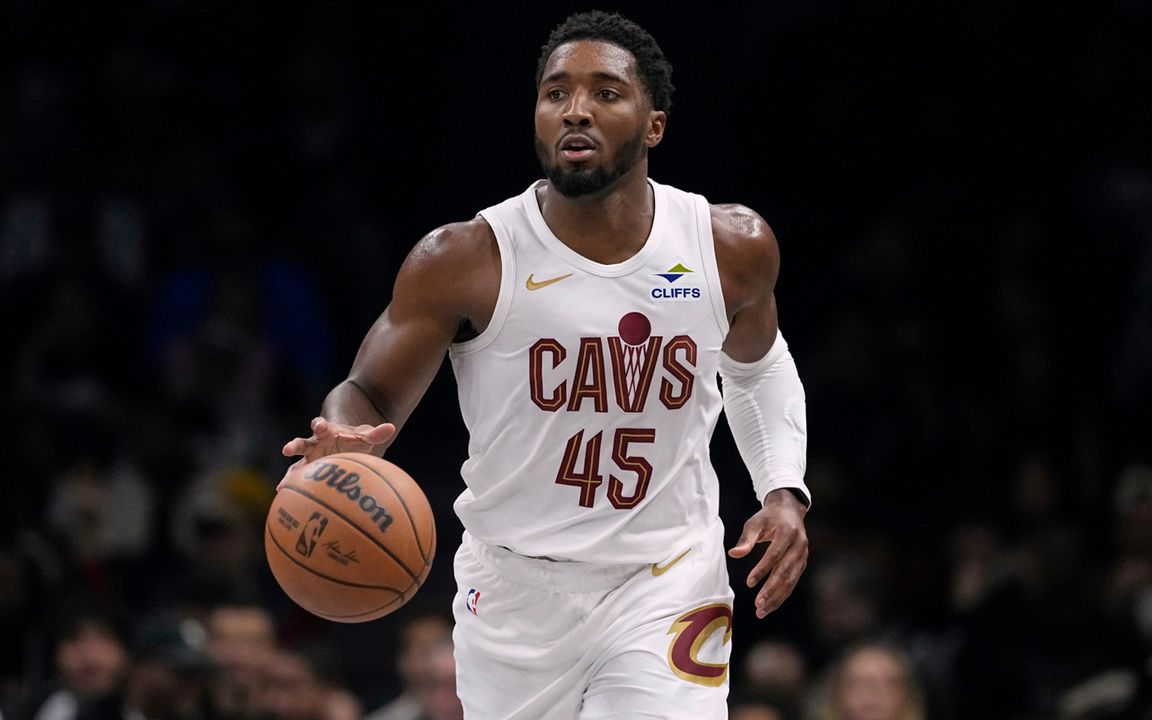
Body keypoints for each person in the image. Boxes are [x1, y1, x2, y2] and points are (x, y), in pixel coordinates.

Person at [280, 9, 810, 719]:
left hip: (666, 576)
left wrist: (782, 488)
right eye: (556, 93)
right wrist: (342, 439)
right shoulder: (465, 258)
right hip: (513, 590)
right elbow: (368, 391)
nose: (575, 110)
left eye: (606, 93)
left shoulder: (728, 246)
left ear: (654, 124)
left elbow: (758, 367)